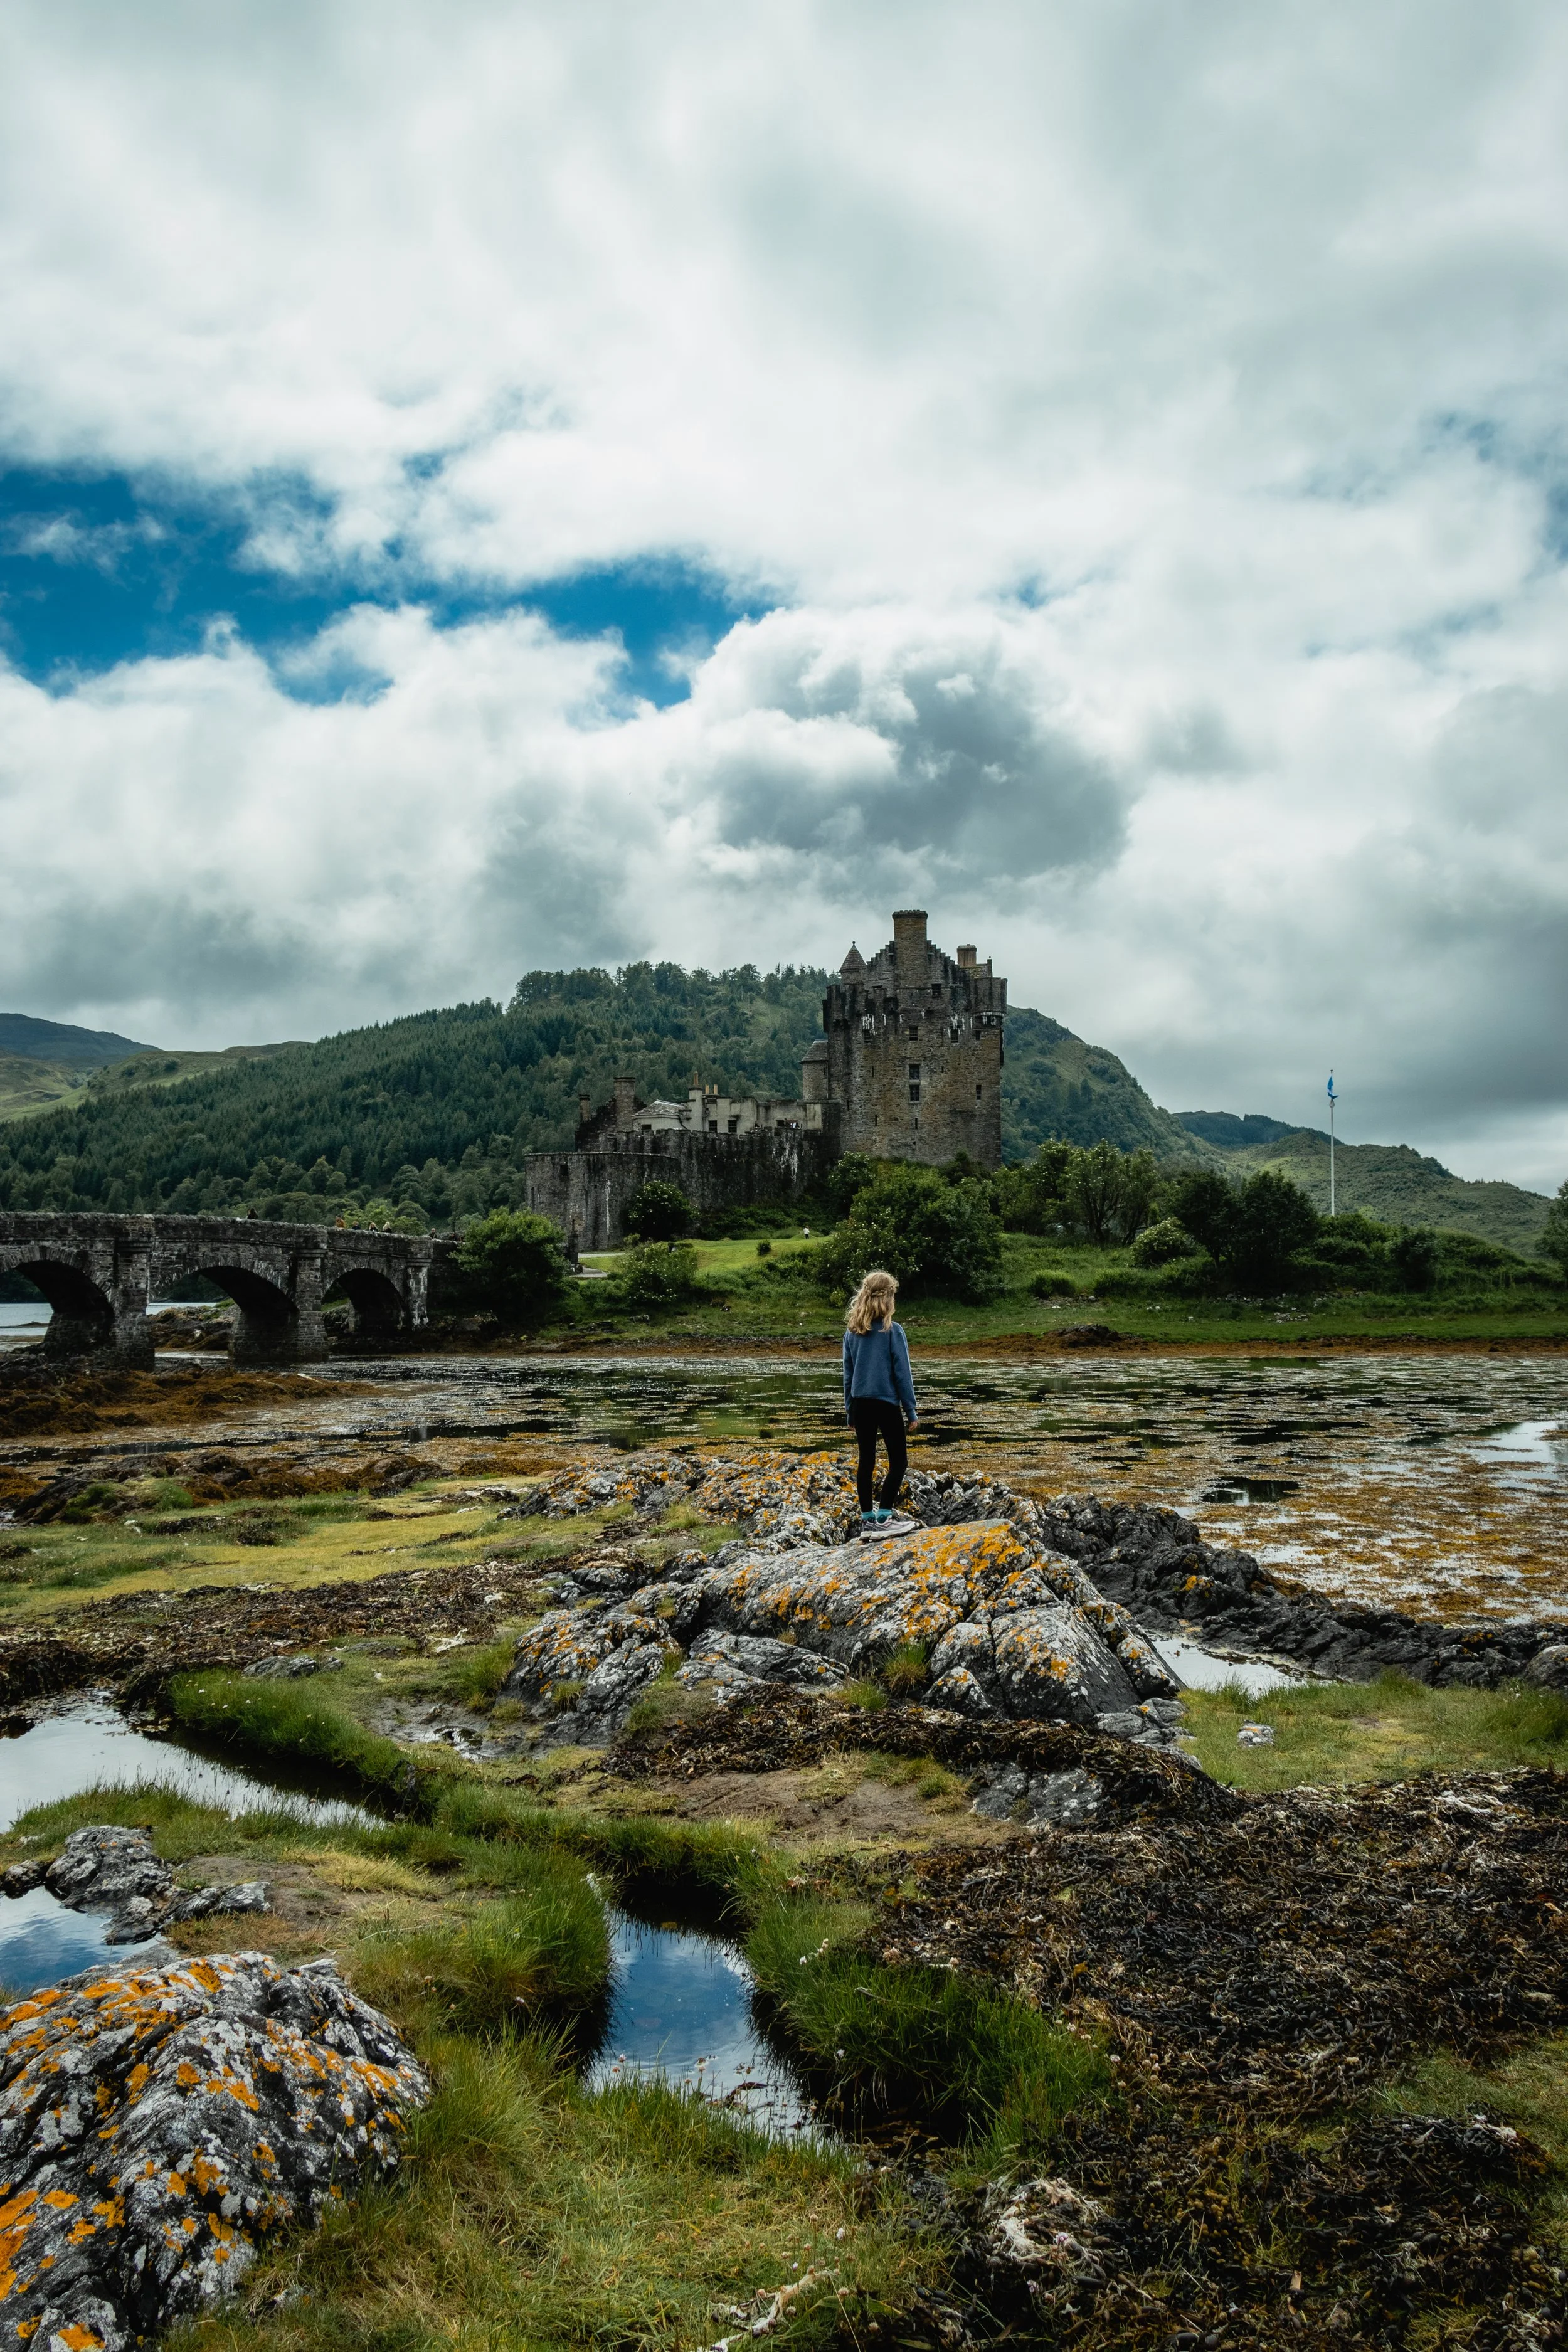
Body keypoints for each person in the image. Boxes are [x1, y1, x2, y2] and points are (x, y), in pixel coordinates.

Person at [842, 1268, 918, 1530]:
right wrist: (911, 1410)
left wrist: (850, 1412)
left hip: (861, 1405)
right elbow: (902, 1374)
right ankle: (884, 1517)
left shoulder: (852, 1333)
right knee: (899, 1462)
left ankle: (867, 1522)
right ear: (888, 1298)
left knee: (867, 1462)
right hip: (886, 1405)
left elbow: (848, 1378)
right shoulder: (893, 1331)